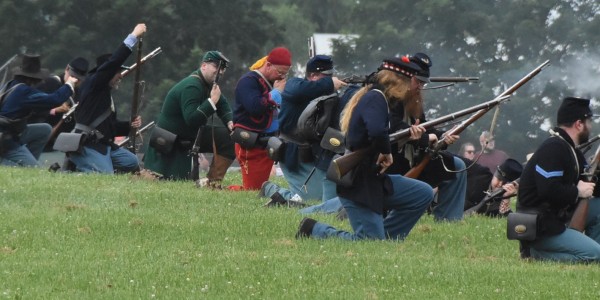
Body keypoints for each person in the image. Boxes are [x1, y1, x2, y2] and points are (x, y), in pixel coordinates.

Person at [296, 56, 435, 241]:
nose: (412, 87)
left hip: (373, 177)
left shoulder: (378, 97)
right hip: (359, 182)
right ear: (398, 81)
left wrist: (406, 138)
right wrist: (387, 153)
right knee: (369, 242)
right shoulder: (376, 98)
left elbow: (380, 133)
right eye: (410, 81)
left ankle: (388, 238)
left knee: (422, 193)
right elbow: (377, 131)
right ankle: (314, 230)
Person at [516, 97, 600, 262]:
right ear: (579, 124)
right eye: (589, 122)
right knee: (595, 255)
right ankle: (533, 255)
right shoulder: (554, 148)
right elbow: (548, 190)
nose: (590, 127)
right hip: (541, 226)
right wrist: (578, 191)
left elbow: (591, 186)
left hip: (555, 220)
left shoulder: (570, 150)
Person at [386, 52, 466, 222]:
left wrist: (443, 136)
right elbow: (392, 128)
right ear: (407, 78)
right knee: (344, 203)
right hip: (390, 161)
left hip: (411, 157)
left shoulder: (414, 101)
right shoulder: (389, 97)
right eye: (418, 82)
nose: (420, 87)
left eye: (422, 83)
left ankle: (448, 220)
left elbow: (423, 127)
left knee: (457, 165)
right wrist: (422, 138)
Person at [260, 55, 347, 202]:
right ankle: (271, 189)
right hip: (292, 154)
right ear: (312, 75)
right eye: (325, 76)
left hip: (313, 154)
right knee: (310, 199)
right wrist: (329, 84)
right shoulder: (295, 85)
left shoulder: (326, 93)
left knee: (329, 195)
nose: (330, 79)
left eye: (330, 76)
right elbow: (299, 90)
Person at [143, 51, 234, 188]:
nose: (220, 72)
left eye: (222, 69)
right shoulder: (192, 86)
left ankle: (213, 181)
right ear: (204, 65)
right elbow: (192, 120)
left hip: (189, 134)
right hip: (173, 139)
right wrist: (211, 102)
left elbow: (223, 104)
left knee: (230, 137)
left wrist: (229, 122)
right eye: (216, 67)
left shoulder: (207, 84)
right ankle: (210, 183)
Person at [68, 23, 146, 173]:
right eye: (117, 72)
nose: (120, 76)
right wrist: (134, 36)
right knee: (105, 175)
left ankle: (97, 164)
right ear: (108, 73)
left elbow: (110, 127)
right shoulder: (95, 83)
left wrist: (130, 125)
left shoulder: (104, 93)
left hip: (103, 145)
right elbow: (114, 62)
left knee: (131, 161)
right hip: (88, 143)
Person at [0, 54, 79, 167]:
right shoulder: (24, 92)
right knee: (36, 170)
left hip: (12, 133)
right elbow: (55, 99)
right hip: (6, 140)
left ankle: (29, 161)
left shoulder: (12, 85)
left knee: (44, 129)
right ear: (32, 78)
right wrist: (69, 84)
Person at [232, 47, 291, 190]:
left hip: (267, 142)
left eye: (284, 74)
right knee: (252, 190)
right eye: (279, 72)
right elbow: (255, 107)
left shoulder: (271, 82)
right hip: (252, 143)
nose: (281, 77)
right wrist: (276, 92)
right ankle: (214, 189)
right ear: (268, 65)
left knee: (259, 188)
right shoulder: (248, 81)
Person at [33, 57, 89, 151]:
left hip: (61, 144)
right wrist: (55, 110)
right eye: (73, 77)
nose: (75, 81)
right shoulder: (49, 83)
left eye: (79, 79)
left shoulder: (79, 92)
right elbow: (34, 109)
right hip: (41, 140)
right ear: (67, 69)